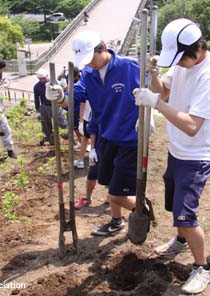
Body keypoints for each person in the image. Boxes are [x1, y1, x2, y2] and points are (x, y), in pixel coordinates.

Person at [133, 19, 210, 294]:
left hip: (197, 154)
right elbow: (164, 89)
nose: (179, 64)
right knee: (175, 205)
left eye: (180, 59)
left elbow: (191, 125)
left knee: (186, 214)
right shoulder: (182, 62)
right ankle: (180, 240)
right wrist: (153, 75)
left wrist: (157, 104)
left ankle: (202, 268)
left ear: (195, 51)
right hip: (178, 150)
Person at [46, 30, 151, 236]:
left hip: (130, 138)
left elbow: (153, 92)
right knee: (110, 184)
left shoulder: (128, 68)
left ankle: (143, 209)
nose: (88, 64)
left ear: (102, 49)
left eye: (90, 58)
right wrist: (59, 97)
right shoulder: (88, 74)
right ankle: (116, 221)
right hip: (105, 136)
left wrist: (148, 115)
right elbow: (74, 100)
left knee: (116, 194)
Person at [34, 69, 68, 146]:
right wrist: (38, 111)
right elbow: (36, 99)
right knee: (46, 125)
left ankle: (67, 137)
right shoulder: (37, 87)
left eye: (44, 78)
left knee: (62, 123)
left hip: (56, 105)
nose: (42, 80)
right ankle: (49, 140)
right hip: (45, 106)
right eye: (40, 79)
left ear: (47, 76)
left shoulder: (54, 83)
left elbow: (63, 92)